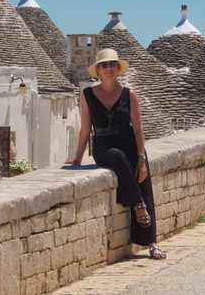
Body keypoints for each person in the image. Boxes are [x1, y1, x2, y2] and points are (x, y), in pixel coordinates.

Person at [65, 48, 166, 260]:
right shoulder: (87, 95)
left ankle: (152, 243)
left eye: (112, 64)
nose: (108, 68)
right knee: (118, 158)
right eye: (103, 65)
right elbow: (85, 128)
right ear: (98, 71)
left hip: (129, 144)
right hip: (104, 146)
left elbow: (138, 129)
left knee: (143, 184)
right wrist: (78, 158)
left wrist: (141, 158)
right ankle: (138, 205)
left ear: (118, 68)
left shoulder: (130, 95)